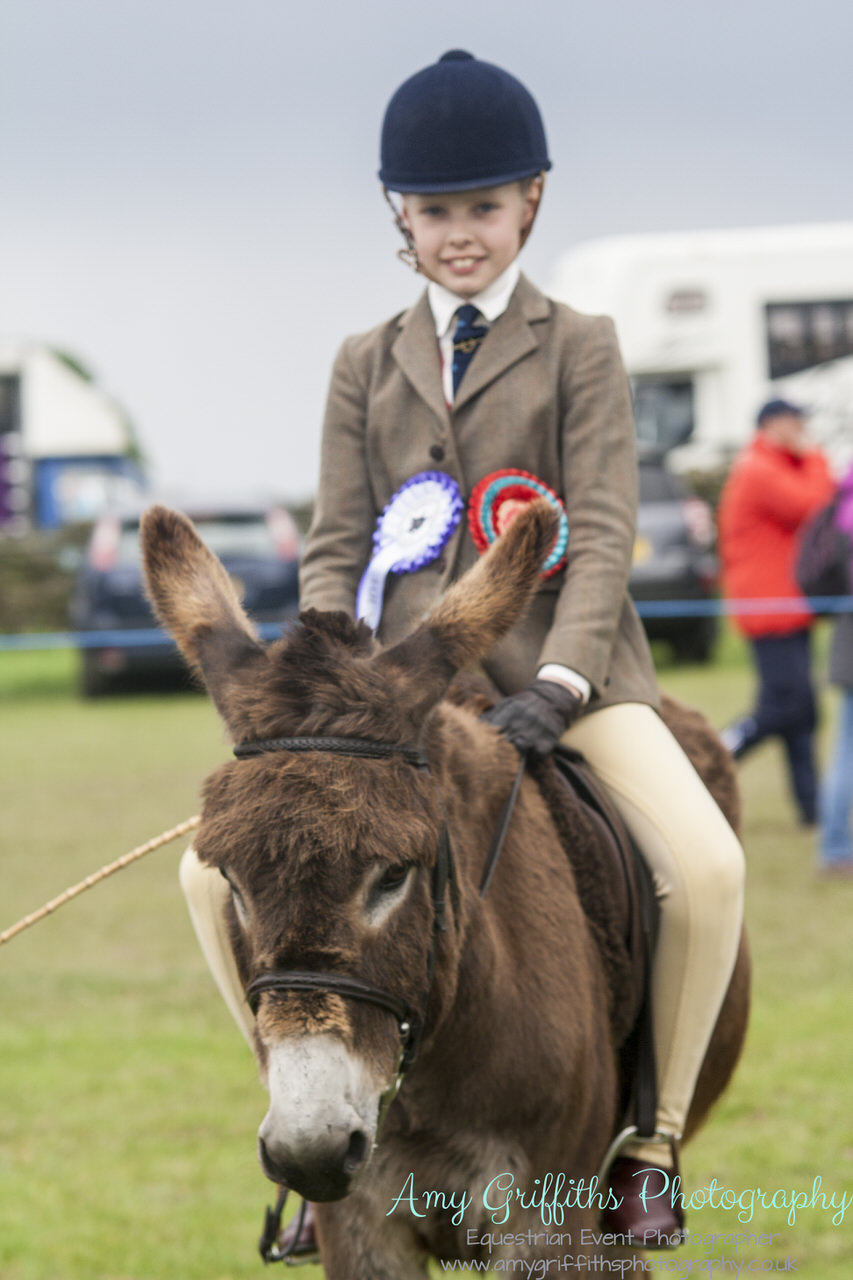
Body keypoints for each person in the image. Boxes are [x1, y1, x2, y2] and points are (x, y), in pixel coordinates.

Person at [180, 50, 745, 1249]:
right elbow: (336, 546)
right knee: (204, 876)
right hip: (391, 704)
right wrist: (330, 692)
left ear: (529, 199)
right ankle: (309, 1121)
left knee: (702, 867)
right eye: (435, 212)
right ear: (403, 215)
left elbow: (598, 529)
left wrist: (561, 678)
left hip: (569, 679)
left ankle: (649, 1138)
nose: (459, 234)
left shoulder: (579, 340)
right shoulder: (361, 359)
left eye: (482, 208)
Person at [717, 400, 835, 826]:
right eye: (794, 420)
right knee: (784, 706)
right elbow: (817, 506)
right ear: (771, 424)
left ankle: (812, 809)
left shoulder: (778, 464)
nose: (801, 428)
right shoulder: (759, 468)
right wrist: (816, 454)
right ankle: (710, 757)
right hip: (769, 607)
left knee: (802, 711)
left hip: (788, 605)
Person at [818, 460, 853, 876]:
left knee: (845, 747)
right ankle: (835, 847)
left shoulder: (842, 500)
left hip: (846, 639)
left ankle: (834, 846)